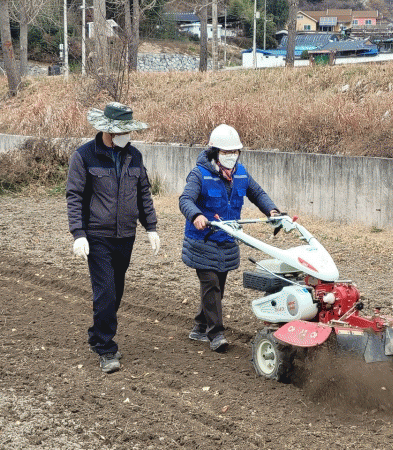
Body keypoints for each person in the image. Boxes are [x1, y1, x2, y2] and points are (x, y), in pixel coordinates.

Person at [66, 102, 160, 373]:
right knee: (105, 291)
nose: (127, 135)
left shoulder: (134, 156)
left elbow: (143, 193)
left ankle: (97, 334)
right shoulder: (85, 156)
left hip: (126, 235)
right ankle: (106, 348)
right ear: (108, 130)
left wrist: (151, 227)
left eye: (128, 131)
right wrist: (78, 234)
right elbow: (74, 196)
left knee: (115, 290)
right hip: (97, 235)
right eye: (122, 131)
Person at [179, 124, 279, 353]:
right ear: (215, 152)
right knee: (212, 286)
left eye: (234, 151)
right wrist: (196, 215)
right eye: (226, 152)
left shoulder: (241, 173)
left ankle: (199, 327)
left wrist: (272, 211)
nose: (231, 156)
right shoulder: (199, 174)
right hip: (202, 241)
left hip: (227, 241)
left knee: (217, 289)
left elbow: (257, 193)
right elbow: (185, 199)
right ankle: (216, 335)